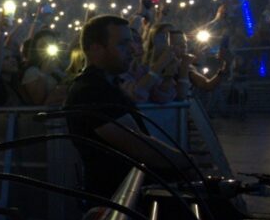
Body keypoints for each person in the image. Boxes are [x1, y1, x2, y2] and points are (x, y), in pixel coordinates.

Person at [64, 15, 196, 198]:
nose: (133, 50)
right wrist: (187, 161)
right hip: (116, 201)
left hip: (129, 194)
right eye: (123, 44)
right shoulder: (90, 91)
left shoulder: (109, 84)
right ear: (96, 49)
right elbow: (138, 145)